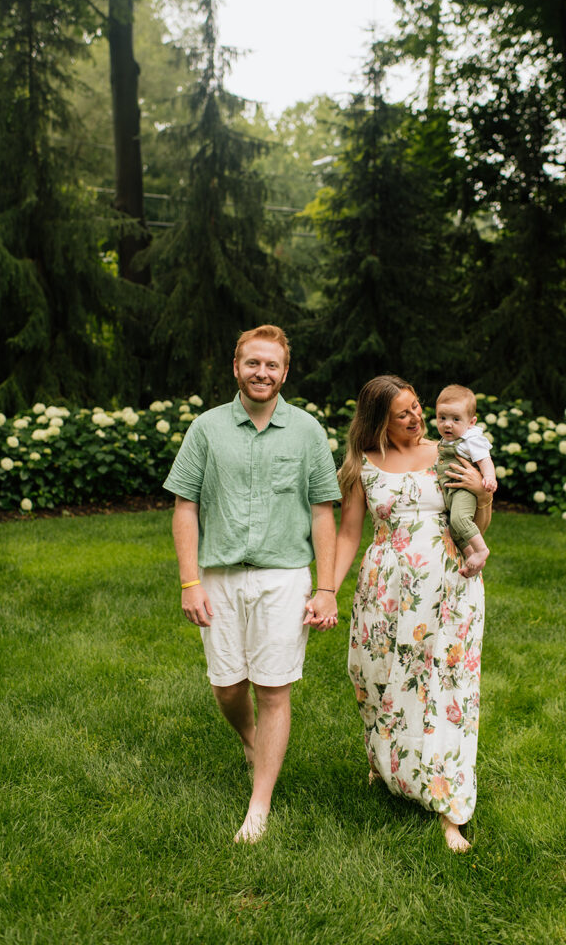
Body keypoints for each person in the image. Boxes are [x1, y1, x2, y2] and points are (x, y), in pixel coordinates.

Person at [163, 324, 341, 844]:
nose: (261, 373)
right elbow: (185, 506)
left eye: (271, 365)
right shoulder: (206, 428)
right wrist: (189, 581)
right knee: (226, 685)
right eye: (252, 363)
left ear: (285, 372)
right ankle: (253, 739)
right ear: (235, 368)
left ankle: (258, 806)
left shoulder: (307, 431)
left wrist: (326, 587)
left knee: (273, 688)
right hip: (217, 577)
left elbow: (323, 511)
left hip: (284, 577)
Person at [333, 375, 492, 852]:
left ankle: (450, 807)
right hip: (383, 591)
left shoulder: (449, 453)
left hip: (448, 589)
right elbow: (348, 534)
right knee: (375, 678)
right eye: (404, 413)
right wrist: (326, 591)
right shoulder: (362, 465)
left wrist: (483, 496)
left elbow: (476, 524)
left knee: (446, 687)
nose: (419, 417)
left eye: (418, 407)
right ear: (380, 420)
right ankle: (388, 766)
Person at [435, 384, 497, 578]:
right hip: (451, 491)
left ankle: (481, 550)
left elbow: (484, 459)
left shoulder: (470, 439)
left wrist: (488, 477)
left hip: (464, 490)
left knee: (459, 520)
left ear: (471, 422)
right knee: (455, 531)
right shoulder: (446, 441)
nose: (447, 424)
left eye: (455, 419)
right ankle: (472, 560)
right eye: (442, 418)